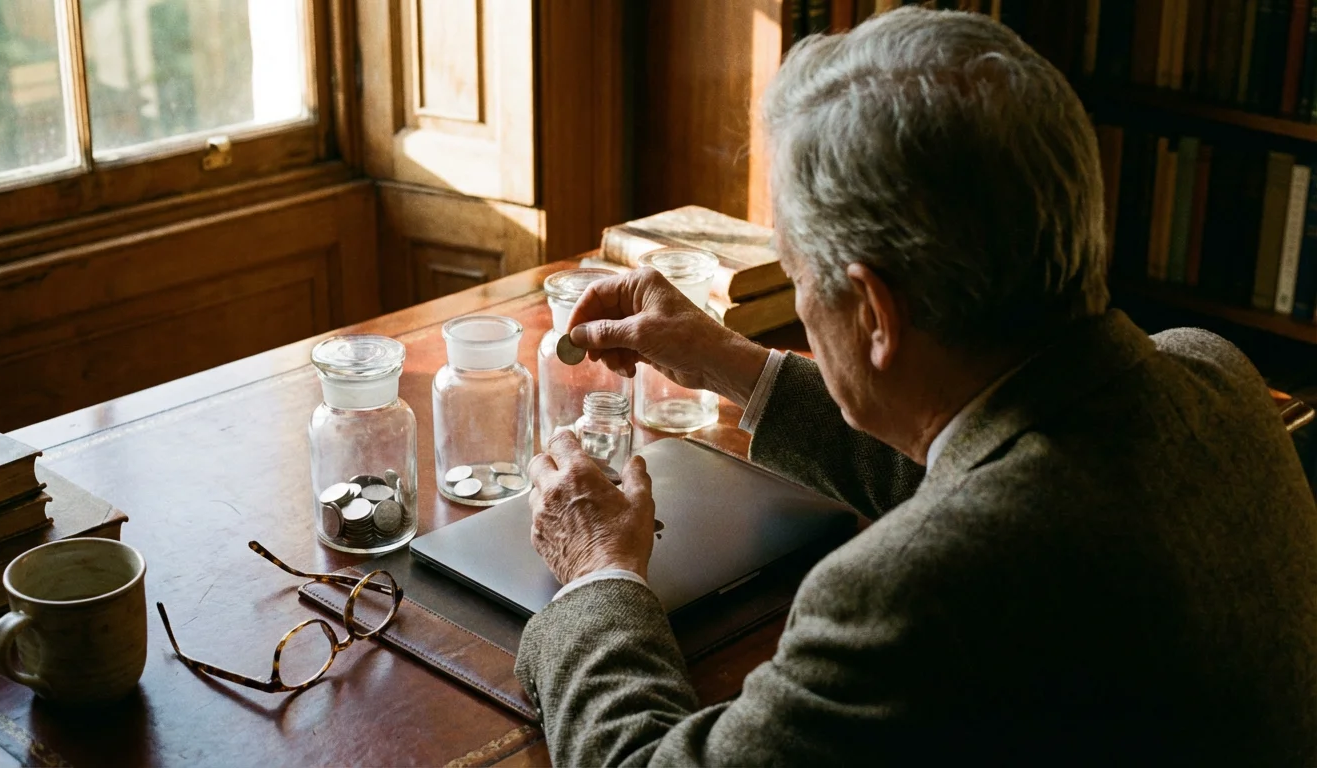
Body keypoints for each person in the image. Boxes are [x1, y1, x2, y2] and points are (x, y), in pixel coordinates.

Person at [517, 7, 1317, 766]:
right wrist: (730, 363)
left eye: (797, 276)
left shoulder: (906, 602)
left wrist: (599, 574)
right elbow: (998, 471)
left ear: (873, 310)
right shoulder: (1214, 375)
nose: (798, 301)